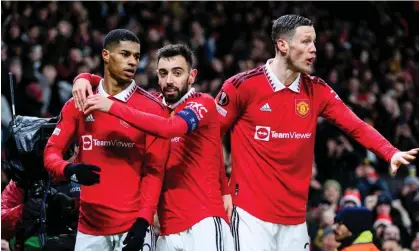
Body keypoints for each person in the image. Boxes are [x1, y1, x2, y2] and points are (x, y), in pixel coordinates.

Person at [71, 16, 419, 251]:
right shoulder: (241, 88)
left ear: (190, 76)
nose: (314, 50)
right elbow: (200, 140)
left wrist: (389, 152)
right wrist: (84, 79)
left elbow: (354, 124)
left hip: (295, 218)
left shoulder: (318, 91)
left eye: (315, 43)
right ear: (282, 45)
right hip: (248, 216)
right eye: (307, 42)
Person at [71, 44, 234, 251]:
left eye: (177, 73)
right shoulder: (153, 107)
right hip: (166, 229)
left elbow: (170, 128)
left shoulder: (202, 103)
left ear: (191, 76)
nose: (169, 81)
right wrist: (84, 77)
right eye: (163, 73)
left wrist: (112, 106)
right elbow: (119, 84)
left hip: (204, 222)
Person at [43, 29, 170, 251]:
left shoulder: (153, 109)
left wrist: (144, 220)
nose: (133, 61)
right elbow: (51, 152)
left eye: (137, 56)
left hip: (133, 226)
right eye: (125, 54)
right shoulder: (79, 101)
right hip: (89, 227)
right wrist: (68, 169)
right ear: (105, 55)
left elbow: (154, 171)